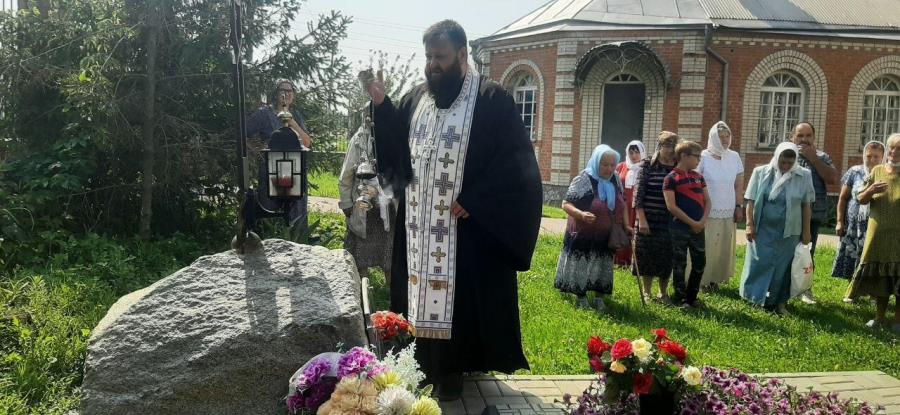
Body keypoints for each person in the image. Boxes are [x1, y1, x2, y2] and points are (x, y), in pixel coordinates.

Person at [365, 20, 542, 400]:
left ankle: (453, 370)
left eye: (440, 57)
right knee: (415, 297)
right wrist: (381, 107)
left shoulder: (491, 100)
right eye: (428, 56)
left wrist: (477, 199)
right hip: (418, 228)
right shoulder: (416, 99)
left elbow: (516, 165)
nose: (432, 65)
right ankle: (419, 364)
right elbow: (396, 154)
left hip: (465, 230)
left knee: (460, 302)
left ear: (462, 55)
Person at [740, 142, 814, 315]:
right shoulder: (761, 172)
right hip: (763, 229)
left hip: (789, 232)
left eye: (790, 163)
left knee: (783, 268)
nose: (785, 166)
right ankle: (754, 298)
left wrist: (806, 231)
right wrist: (749, 225)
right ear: (776, 158)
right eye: (782, 162)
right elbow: (750, 200)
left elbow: (806, 205)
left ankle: (778, 302)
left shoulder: (804, 175)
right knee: (759, 263)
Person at [555, 145, 630, 313]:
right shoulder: (584, 179)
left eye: (612, 165)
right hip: (584, 233)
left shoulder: (615, 178)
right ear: (596, 162)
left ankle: (599, 298)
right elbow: (566, 204)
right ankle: (580, 297)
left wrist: (626, 225)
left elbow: (623, 202)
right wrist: (581, 214)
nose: (609, 169)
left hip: (606, 234)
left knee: (603, 264)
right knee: (582, 262)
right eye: (604, 164)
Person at [846, 133, 900, 333]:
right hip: (877, 235)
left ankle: (898, 320)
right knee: (880, 276)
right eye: (891, 147)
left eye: (899, 149)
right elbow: (860, 198)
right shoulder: (877, 170)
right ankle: (879, 317)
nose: (894, 152)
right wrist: (870, 191)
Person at [246, 79, 314, 237]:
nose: (286, 94)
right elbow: (244, 131)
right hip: (271, 173)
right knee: (271, 212)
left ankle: (297, 241)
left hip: (295, 173)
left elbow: (307, 142)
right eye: (282, 90)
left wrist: (291, 121)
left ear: (293, 95)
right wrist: (255, 149)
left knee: (296, 213)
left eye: (290, 91)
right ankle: (270, 240)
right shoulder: (264, 114)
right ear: (275, 94)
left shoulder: (296, 115)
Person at [338, 122, 396, 284]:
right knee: (360, 253)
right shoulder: (359, 139)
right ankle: (362, 290)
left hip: (387, 207)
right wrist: (346, 203)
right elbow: (346, 174)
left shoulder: (393, 137)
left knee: (388, 252)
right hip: (362, 206)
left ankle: (392, 291)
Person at [791, 122, 839, 304]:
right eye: (800, 135)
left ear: (814, 137)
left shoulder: (822, 156)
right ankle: (784, 288)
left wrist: (813, 159)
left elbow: (833, 178)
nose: (804, 139)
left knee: (807, 253)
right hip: (788, 213)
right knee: (786, 252)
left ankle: (805, 289)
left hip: (813, 213)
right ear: (792, 137)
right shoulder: (786, 153)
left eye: (808, 135)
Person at [633, 131, 679, 304]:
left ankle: (663, 292)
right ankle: (647, 292)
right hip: (648, 219)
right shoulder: (648, 165)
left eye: (674, 146)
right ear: (659, 146)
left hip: (669, 221)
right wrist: (642, 220)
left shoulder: (677, 167)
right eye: (668, 145)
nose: (671, 149)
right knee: (647, 255)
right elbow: (638, 195)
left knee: (667, 257)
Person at [697, 122, 744, 291]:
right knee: (707, 246)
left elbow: (738, 185)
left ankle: (715, 279)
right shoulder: (703, 156)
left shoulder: (735, 156)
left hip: (728, 210)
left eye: (727, 136)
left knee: (722, 247)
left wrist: (738, 206)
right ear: (713, 137)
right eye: (720, 136)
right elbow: (695, 182)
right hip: (707, 210)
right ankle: (701, 280)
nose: (724, 140)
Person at [832, 141, 885, 289]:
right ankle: (852, 288)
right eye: (869, 156)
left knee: (872, 256)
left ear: (883, 157)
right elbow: (843, 198)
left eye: (876, 156)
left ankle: (870, 289)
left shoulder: (886, 174)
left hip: (875, 225)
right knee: (853, 253)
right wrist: (839, 221)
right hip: (853, 225)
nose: (872, 160)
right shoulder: (855, 171)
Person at [663, 140, 710, 308]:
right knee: (679, 263)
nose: (699, 161)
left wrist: (702, 221)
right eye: (697, 156)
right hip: (679, 229)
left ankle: (692, 296)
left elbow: (708, 201)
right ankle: (680, 298)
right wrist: (692, 223)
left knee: (700, 262)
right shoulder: (671, 178)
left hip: (698, 228)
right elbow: (671, 206)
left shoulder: (699, 177)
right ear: (684, 156)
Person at [614, 140, 645, 266]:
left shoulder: (646, 168)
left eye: (637, 152)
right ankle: (620, 261)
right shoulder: (621, 167)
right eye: (631, 152)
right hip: (623, 205)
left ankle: (634, 262)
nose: (634, 156)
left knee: (635, 232)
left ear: (642, 152)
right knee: (622, 230)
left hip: (638, 207)